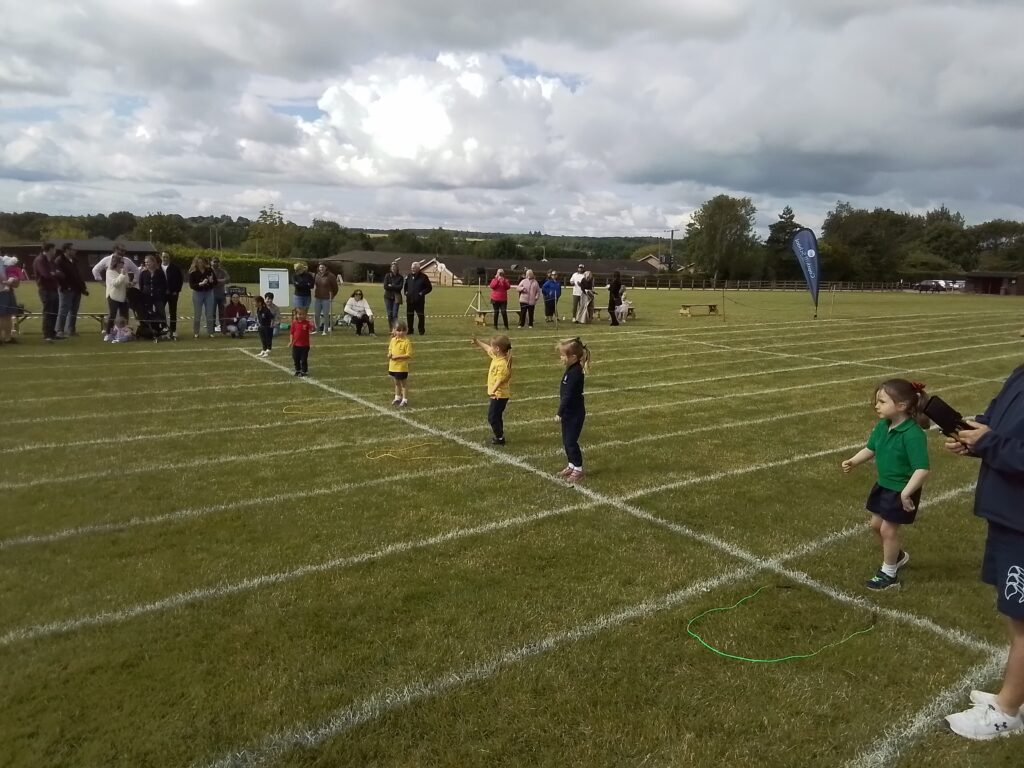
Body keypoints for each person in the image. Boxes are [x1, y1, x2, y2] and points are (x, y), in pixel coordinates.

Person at [943, 366, 1024, 740]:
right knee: (1013, 611)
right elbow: (995, 421)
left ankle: (1007, 711)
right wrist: (973, 435)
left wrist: (989, 442)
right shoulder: (1021, 372)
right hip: (1006, 512)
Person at [841, 380, 931, 590]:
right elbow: (870, 448)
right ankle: (897, 556)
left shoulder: (913, 434)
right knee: (876, 526)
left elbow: (922, 469)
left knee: (888, 531)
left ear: (901, 405)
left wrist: (906, 493)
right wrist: (853, 461)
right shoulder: (883, 426)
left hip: (901, 491)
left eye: (881, 401)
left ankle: (888, 574)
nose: (876, 405)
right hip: (883, 486)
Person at [555, 337, 589, 483]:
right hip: (569, 412)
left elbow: (568, 395)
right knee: (566, 440)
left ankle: (579, 469)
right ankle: (571, 465)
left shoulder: (576, 372)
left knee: (570, 441)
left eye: (563, 355)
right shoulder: (571, 369)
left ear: (573, 357)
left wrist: (559, 412)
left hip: (574, 413)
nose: (561, 358)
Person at [472, 335, 512, 445]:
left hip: (500, 395)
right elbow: (487, 349)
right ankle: (500, 435)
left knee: (492, 417)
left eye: (492, 346)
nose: (491, 348)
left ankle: (499, 437)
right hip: (497, 394)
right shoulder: (496, 357)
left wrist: (492, 391)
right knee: (497, 416)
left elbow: (499, 380)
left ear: (498, 349)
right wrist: (478, 342)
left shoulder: (503, 364)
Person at [55, 243, 87, 338]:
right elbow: (59, 276)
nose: (75, 251)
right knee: (64, 310)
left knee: (74, 311)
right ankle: (59, 330)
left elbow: (77, 275)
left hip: (77, 289)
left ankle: (71, 330)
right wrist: (66, 286)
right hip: (66, 290)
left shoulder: (74, 260)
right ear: (67, 250)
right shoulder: (59, 260)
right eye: (73, 249)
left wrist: (83, 287)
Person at [32, 243, 62, 342]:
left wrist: (55, 273)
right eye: (54, 249)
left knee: (54, 312)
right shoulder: (40, 260)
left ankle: (52, 333)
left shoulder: (51, 261)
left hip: (54, 288)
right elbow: (46, 275)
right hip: (45, 289)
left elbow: (59, 273)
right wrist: (55, 273)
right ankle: (47, 335)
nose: (55, 251)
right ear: (49, 249)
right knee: (48, 312)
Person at [138, 253, 168, 338]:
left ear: (153, 262)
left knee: (161, 311)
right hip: (146, 297)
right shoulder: (143, 273)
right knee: (148, 312)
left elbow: (164, 285)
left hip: (157, 296)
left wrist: (160, 292)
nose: (146, 264)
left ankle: (164, 327)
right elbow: (141, 285)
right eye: (146, 262)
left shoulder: (159, 273)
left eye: (148, 262)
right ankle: (151, 329)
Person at [188, 256, 218, 338]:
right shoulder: (193, 272)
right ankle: (196, 331)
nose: (200, 264)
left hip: (209, 293)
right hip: (198, 293)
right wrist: (200, 284)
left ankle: (210, 332)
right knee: (197, 313)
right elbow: (191, 285)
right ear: (196, 263)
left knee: (209, 313)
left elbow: (215, 282)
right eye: (198, 262)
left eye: (201, 262)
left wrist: (212, 281)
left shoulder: (209, 270)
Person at [387, 320, 413, 406]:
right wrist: (390, 354)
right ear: (394, 330)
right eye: (398, 330)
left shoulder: (406, 342)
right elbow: (390, 349)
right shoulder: (393, 340)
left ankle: (405, 400)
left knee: (403, 384)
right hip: (393, 366)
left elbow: (408, 355)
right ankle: (397, 397)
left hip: (401, 367)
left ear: (406, 331)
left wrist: (397, 357)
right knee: (396, 383)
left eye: (403, 330)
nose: (401, 332)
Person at [404, 261, 432, 336]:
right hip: (410, 300)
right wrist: (406, 292)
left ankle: (421, 331)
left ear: (418, 268)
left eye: (414, 268)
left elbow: (429, 288)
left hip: (419, 301)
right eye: (411, 268)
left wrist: (422, 293)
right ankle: (410, 330)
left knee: (420, 316)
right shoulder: (409, 276)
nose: (412, 269)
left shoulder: (424, 277)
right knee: (409, 316)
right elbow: (406, 286)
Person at [104, 253, 130, 334]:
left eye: (123, 262)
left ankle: (124, 332)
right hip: (113, 296)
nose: (123, 264)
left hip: (123, 296)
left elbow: (125, 282)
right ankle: (108, 332)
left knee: (125, 315)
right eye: (121, 262)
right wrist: (122, 275)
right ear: (116, 263)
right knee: (113, 315)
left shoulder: (123, 271)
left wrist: (129, 283)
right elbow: (115, 283)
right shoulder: (110, 272)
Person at [161, 252, 184, 340]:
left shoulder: (175, 268)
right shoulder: (158, 268)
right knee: (161, 311)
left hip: (173, 294)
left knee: (173, 312)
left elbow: (180, 280)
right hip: (162, 294)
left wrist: (176, 291)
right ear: (161, 257)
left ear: (169, 258)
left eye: (167, 257)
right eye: (163, 257)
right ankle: (164, 329)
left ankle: (173, 330)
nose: (165, 258)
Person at [0, 256, 21, 344]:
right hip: (1, 291)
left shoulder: (4, 260)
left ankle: (8, 337)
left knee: (8, 315)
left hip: (8, 291)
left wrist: (14, 280)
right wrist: (5, 281)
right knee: (1, 315)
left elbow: (12, 272)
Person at [313, 263, 339, 334]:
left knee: (325, 314)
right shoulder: (317, 275)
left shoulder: (331, 276)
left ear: (326, 267)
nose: (321, 268)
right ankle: (317, 329)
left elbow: (335, 288)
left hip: (326, 299)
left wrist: (332, 296)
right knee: (316, 314)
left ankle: (325, 330)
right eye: (320, 267)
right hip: (318, 298)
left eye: (323, 267)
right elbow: (315, 285)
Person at [288, 307, 314, 377]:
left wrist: (312, 325)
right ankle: (298, 370)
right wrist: (291, 341)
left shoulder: (307, 323)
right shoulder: (294, 323)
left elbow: (311, 330)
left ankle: (304, 371)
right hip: (296, 345)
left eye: (303, 314)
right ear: (296, 315)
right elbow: (291, 333)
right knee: (296, 358)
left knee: (303, 359)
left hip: (305, 345)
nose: (301, 316)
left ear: (306, 315)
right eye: (299, 314)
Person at [210, 256, 230, 330]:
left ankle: (223, 327)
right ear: (211, 262)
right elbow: (209, 281)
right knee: (212, 313)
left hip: (221, 294)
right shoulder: (209, 271)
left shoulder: (222, 271)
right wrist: (221, 281)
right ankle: (211, 327)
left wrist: (218, 281)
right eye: (214, 261)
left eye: (217, 261)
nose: (216, 263)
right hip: (212, 294)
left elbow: (228, 279)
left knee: (223, 312)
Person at [383, 262, 404, 329]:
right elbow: (385, 286)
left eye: (394, 267)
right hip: (388, 297)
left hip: (396, 297)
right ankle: (391, 329)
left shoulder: (400, 277)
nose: (393, 268)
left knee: (395, 314)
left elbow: (400, 287)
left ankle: (395, 328)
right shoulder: (387, 275)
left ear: (397, 268)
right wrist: (395, 286)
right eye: (392, 267)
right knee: (390, 314)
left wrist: (391, 285)